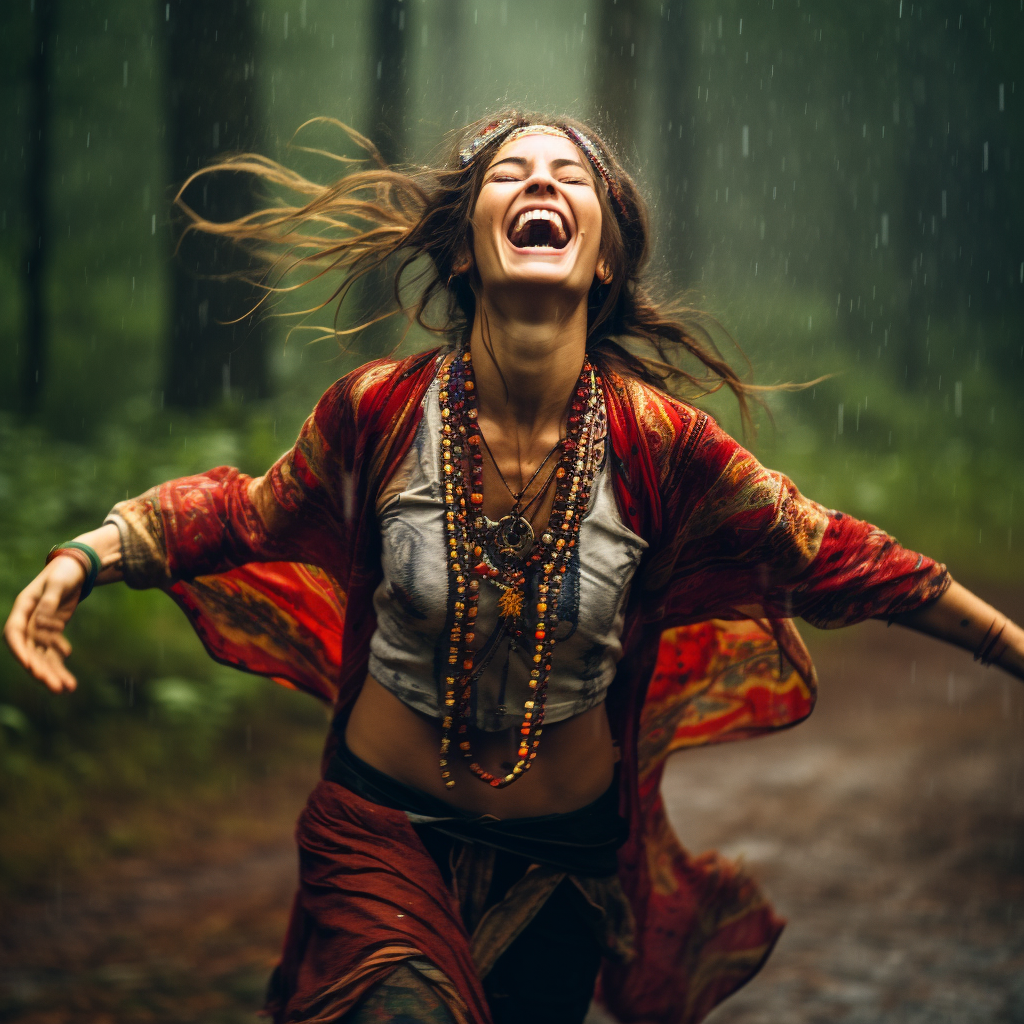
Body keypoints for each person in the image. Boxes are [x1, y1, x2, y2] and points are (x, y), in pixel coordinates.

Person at [5, 112, 1023, 1024]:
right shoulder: (378, 413)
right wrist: (85, 559)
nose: (541, 183)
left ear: (609, 260)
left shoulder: (662, 445)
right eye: (511, 172)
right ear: (460, 251)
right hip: (380, 836)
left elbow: (838, 553)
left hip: (567, 871)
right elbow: (247, 512)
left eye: (569, 175)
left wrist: (1005, 647)